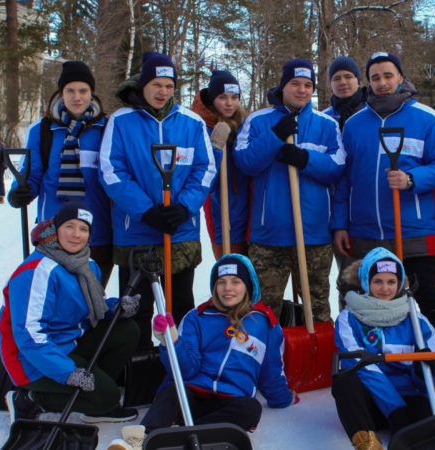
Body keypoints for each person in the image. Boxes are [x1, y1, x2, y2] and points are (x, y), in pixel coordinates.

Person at [108, 254, 296, 450]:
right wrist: (171, 342)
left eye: (236, 282)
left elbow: (271, 370)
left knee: (251, 408)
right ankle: (143, 438)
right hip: (192, 394)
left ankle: (179, 435)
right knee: (172, 392)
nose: (228, 288)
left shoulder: (264, 325)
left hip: (231, 400)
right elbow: (186, 371)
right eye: (221, 282)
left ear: (248, 286)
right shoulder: (196, 318)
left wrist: (282, 398)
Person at [100, 51, 216, 348]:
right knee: (136, 309)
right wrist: (146, 211)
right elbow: (112, 171)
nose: (163, 92)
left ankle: (180, 367)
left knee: (180, 307)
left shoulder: (191, 123)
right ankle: (138, 368)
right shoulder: (122, 121)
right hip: (136, 232)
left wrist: (184, 207)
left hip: (180, 231)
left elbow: (205, 168)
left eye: (168, 85)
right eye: (156, 84)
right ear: (143, 85)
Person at [333, 52, 435, 318]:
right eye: (375, 78)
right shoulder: (354, 124)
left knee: (426, 301)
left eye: (388, 75)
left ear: (400, 77)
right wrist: (341, 224)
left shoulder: (426, 117)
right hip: (366, 235)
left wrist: (412, 179)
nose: (382, 82)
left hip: (413, 233)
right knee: (370, 307)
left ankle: (434, 356)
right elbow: (344, 179)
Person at [0, 201, 141, 424]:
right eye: (69, 227)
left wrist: (116, 307)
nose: (76, 235)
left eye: (83, 229)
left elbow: (95, 306)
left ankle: (94, 390)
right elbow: (28, 334)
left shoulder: (86, 265)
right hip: (31, 358)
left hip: (70, 343)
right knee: (108, 397)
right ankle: (31, 398)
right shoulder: (37, 270)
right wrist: (67, 372)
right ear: (56, 229)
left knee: (125, 329)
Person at [234, 57, 345, 322]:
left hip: (314, 235)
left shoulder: (327, 124)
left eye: (308, 85)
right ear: (283, 86)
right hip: (269, 235)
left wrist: (304, 159)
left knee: (317, 308)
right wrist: (274, 137)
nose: (302, 90)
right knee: (262, 310)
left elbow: (337, 166)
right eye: (295, 83)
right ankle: (263, 358)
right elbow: (245, 162)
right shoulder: (258, 121)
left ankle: (317, 360)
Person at [7, 61, 115, 286]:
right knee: (56, 301)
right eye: (70, 91)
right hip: (53, 233)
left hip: (97, 233)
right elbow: (32, 173)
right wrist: (20, 191)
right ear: (61, 93)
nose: (77, 97)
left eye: (83, 90)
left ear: (91, 93)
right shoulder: (44, 130)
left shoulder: (106, 128)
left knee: (93, 301)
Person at [332, 247, 435, 450]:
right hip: (372, 402)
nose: (385, 288)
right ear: (366, 282)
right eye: (378, 281)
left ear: (400, 284)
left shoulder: (417, 320)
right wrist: (394, 409)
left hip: (409, 396)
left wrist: (422, 372)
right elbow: (359, 365)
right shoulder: (349, 319)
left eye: (391, 282)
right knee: (344, 379)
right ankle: (366, 442)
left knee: (430, 426)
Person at [190, 69, 250, 260]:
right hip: (220, 208)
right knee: (230, 267)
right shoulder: (200, 127)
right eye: (223, 97)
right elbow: (203, 177)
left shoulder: (244, 125)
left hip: (247, 207)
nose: (230, 103)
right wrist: (215, 147)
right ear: (212, 98)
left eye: (234, 97)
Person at [323, 56, 368, 129]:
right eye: (337, 78)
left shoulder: (372, 113)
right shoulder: (325, 118)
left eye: (348, 77)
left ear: (358, 80)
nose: (343, 82)